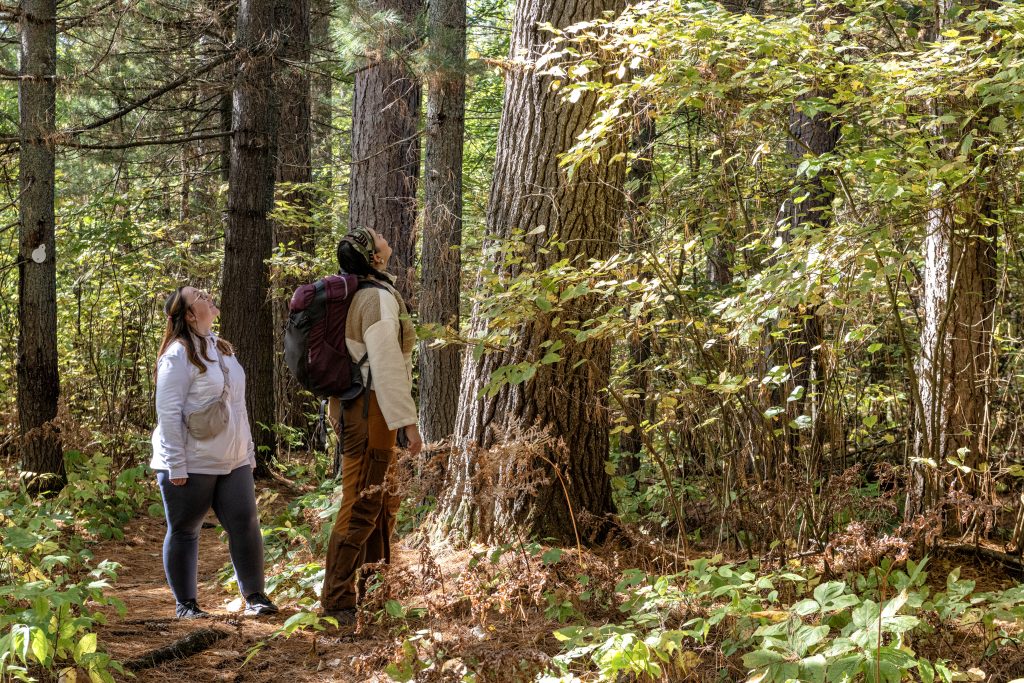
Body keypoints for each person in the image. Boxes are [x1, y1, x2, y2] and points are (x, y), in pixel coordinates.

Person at [150, 285, 278, 619]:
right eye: (199, 297)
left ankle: (255, 597)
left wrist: (247, 452)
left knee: (245, 523)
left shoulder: (221, 348)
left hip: (232, 458)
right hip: (191, 461)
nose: (208, 297)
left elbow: (239, 406)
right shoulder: (177, 354)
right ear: (190, 314)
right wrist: (176, 464)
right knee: (185, 529)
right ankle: (186, 605)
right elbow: (168, 411)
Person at [321, 227, 423, 625]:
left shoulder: (362, 295)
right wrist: (409, 424)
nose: (385, 237)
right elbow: (387, 367)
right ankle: (338, 601)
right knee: (363, 503)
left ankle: (375, 591)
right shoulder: (376, 299)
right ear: (375, 258)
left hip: (364, 410)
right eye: (379, 238)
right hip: (371, 412)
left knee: (382, 503)